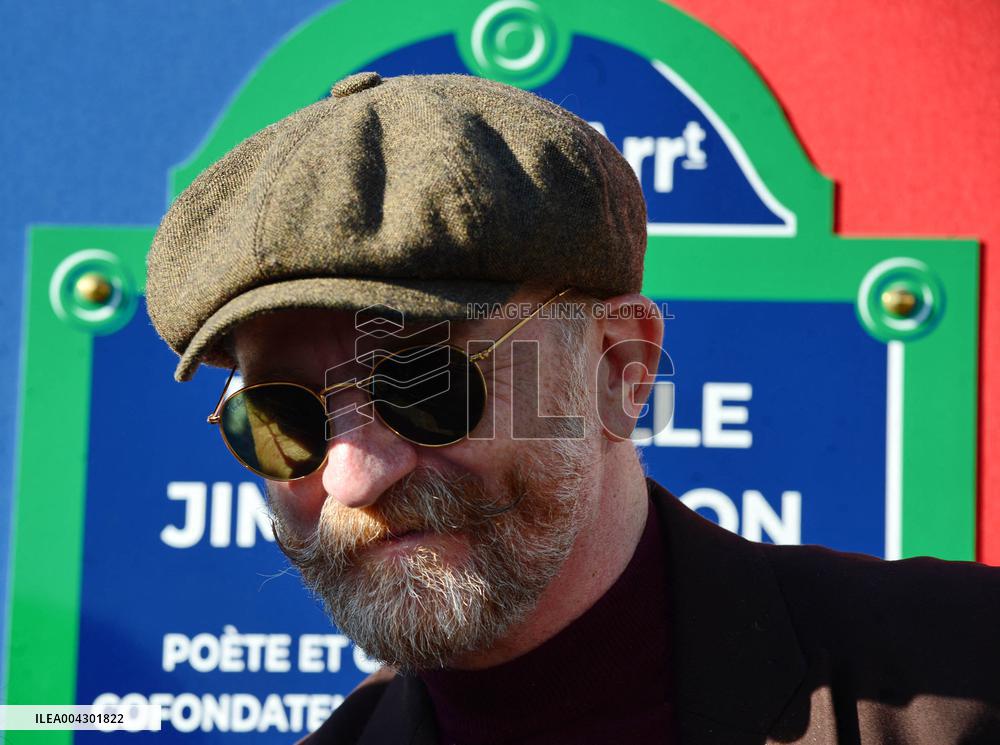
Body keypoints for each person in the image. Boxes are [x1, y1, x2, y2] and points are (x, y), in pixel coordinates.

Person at [146, 71, 1000, 744]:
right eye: (282, 418)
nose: (356, 476)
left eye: (426, 383)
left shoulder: (968, 677)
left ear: (619, 368)